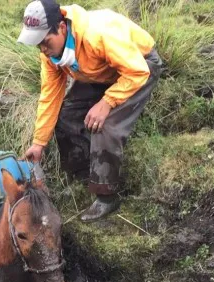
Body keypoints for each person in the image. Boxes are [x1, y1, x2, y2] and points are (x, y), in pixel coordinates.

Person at [18, 0, 163, 221]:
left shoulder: (98, 34)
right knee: (66, 116)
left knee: (105, 125)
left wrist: (107, 103)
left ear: (62, 27)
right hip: (99, 72)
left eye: (46, 42)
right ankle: (87, 178)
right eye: (38, 45)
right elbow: (50, 96)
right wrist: (39, 142)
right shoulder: (51, 55)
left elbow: (137, 71)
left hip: (139, 66)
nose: (44, 50)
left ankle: (107, 197)